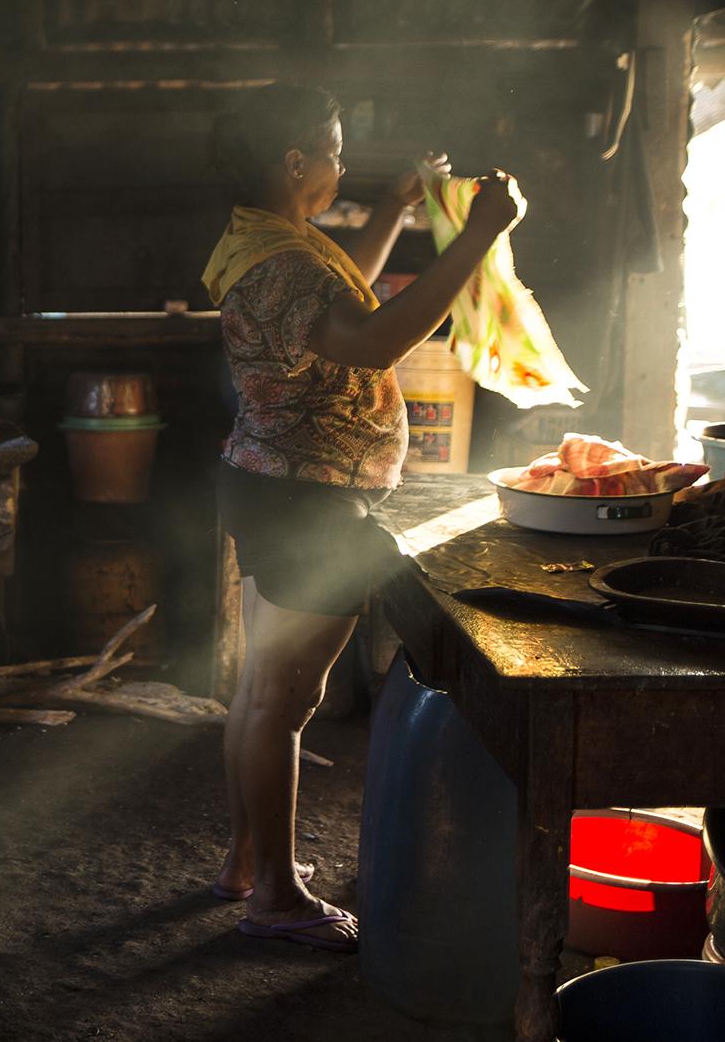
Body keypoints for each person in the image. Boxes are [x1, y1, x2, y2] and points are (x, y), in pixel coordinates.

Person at [200, 83, 522, 952]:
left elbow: (350, 303)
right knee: (282, 703)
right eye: (336, 151)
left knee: (257, 692)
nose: (344, 163)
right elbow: (375, 338)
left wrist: (391, 206)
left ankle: (241, 859)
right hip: (310, 498)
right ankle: (274, 892)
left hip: (273, 479)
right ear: (297, 162)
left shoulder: (264, 238)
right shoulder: (286, 265)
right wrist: (485, 233)